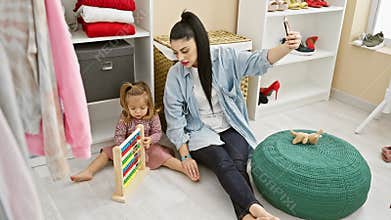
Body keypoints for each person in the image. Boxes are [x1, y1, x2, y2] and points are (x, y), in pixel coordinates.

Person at [163, 11, 301, 220]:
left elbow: (258, 61)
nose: (181, 58)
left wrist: (287, 47)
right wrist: (184, 154)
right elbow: (174, 118)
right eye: (176, 53)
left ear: (199, 42)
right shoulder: (176, 75)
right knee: (222, 162)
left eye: (185, 51)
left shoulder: (226, 58)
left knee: (238, 163)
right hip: (199, 131)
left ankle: (245, 216)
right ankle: (258, 211)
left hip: (230, 124)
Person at [71, 81, 197, 182]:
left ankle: (184, 168)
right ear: (127, 107)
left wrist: (150, 140)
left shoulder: (152, 116)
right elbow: (118, 135)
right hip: (128, 148)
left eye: (142, 108)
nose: (138, 112)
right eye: (133, 108)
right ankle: (89, 171)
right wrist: (125, 146)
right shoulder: (125, 117)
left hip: (147, 147)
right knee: (106, 153)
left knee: (162, 156)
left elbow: (158, 132)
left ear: (149, 105)